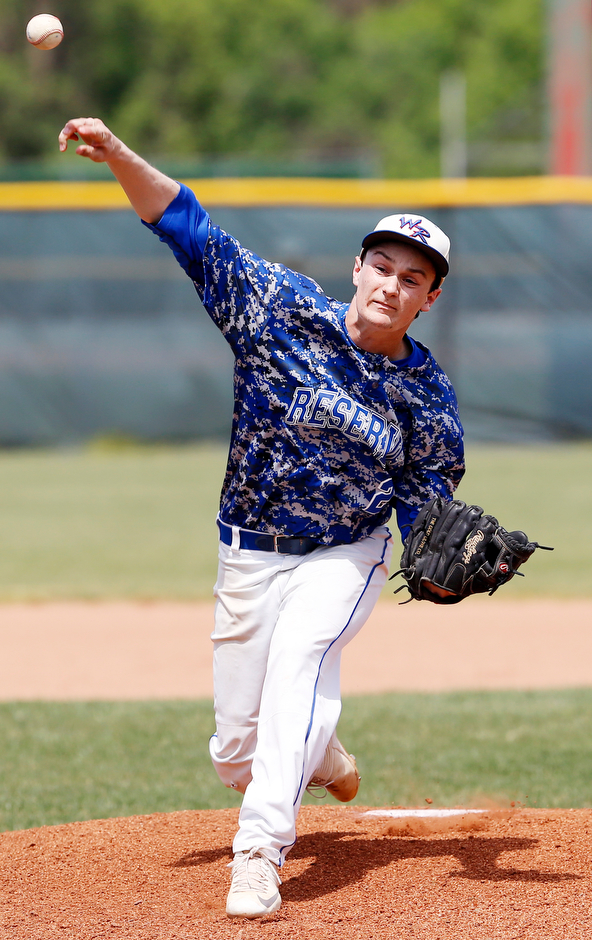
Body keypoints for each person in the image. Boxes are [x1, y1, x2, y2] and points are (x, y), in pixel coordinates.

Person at [59, 117, 465, 919]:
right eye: (380, 265)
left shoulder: (429, 395)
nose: (390, 284)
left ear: (430, 296)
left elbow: (428, 493)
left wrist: (434, 547)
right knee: (235, 752)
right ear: (357, 266)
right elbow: (187, 227)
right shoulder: (279, 311)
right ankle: (319, 748)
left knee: (302, 662)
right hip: (247, 553)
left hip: (345, 554)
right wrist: (117, 156)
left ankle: (259, 854)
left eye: (412, 277)